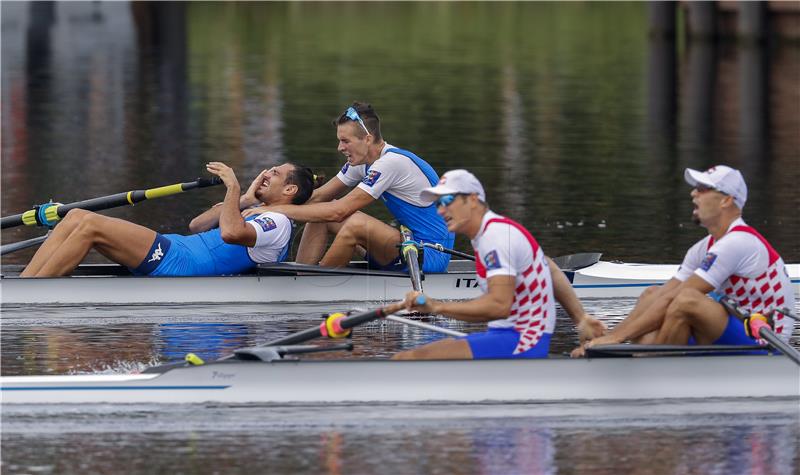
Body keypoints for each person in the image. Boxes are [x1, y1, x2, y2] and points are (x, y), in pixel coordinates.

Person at [573, 165, 795, 356]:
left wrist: (615, 338)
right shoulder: (703, 247)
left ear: (726, 200)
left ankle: (653, 367)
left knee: (686, 300)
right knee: (651, 294)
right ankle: (642, 361)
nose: (693, 194)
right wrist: (608, 338)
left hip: (766, 341)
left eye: (702, 189)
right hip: (732, 328)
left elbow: (677, 297)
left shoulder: (738, 242)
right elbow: (664, 295)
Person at [392, 169, 606, 360]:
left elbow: (499, 306)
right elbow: (548, 266)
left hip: (521, 340)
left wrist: (436, 306)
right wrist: (581, 319)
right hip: (508, 335)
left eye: (447, 200)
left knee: (407, 359)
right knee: (423, 353)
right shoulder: (495, 230)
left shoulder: (494, 237)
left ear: (473, 200)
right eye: (437, 204)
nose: (440, 210)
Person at [245, 102, 455, 273]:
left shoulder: (392, 163)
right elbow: (317, 198)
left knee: (353, 223)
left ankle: (315, 288)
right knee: (323, 211)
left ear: (367, 139)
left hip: (428, 255)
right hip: (403, 247)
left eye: (345, 141)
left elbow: (340, 212)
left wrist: (272, 209)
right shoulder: (362, 161)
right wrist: (253, 203)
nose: (340, 148)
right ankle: (302, 274)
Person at [21, 162, 320, 277]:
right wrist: (245, 199)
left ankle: (32, 297)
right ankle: (25, 286)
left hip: (181, 263)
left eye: (276, 174)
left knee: (89, 225)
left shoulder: (278, 223)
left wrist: (233, 187)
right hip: (177, 249)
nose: (267, 174)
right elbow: (198, 225)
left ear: (290, 190)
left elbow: (230, 234)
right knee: (75, 216)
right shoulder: (255, 210)